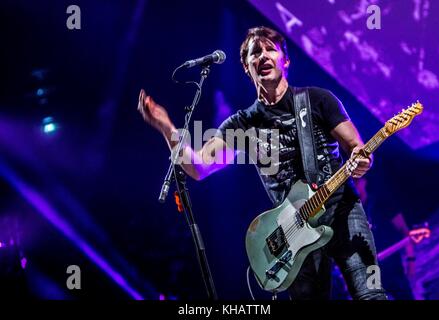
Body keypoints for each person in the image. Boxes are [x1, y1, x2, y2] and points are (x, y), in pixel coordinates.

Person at [138, 26, 387, 300]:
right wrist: (166, 127)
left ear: (285, 60)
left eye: (271, 49)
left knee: (370, 296)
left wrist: (361, 160)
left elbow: (356, 148)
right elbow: (198, 167)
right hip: (293, 231)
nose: (264, 56)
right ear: (247, 67)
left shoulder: (318, 99)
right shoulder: (242, 124)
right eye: (256, 52)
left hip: (342, 212)